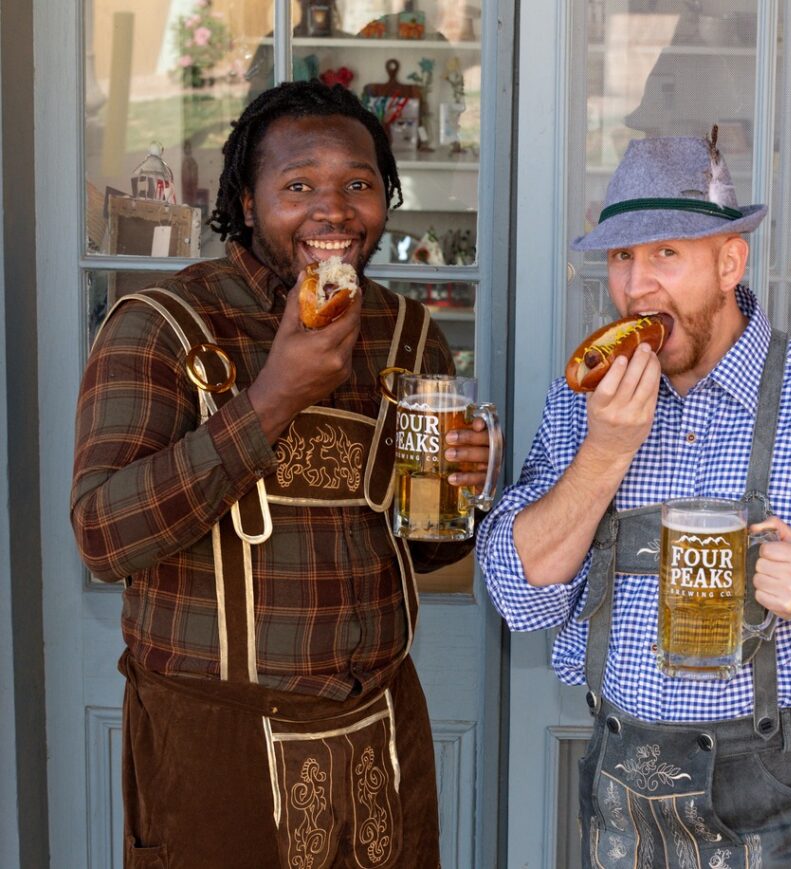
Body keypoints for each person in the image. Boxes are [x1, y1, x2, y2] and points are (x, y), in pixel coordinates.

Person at [476, 132, 791, 867]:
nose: (637, 286)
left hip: (779, 801)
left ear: (729, 260)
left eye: (666, 255)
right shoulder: (582, 403)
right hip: (620, 797)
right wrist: (606, 451)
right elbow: (520, 592)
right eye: (622, 257)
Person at [71, 80, 495, 868]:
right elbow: (102, 537)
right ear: (246, 196)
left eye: (358, 185)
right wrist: (273, 395)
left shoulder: (407, 334)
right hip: (213, 737)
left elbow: (428, 545)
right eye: (298, 185)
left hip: (381, 727)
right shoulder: (159, 325)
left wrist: (464, 491)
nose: (332, 211)